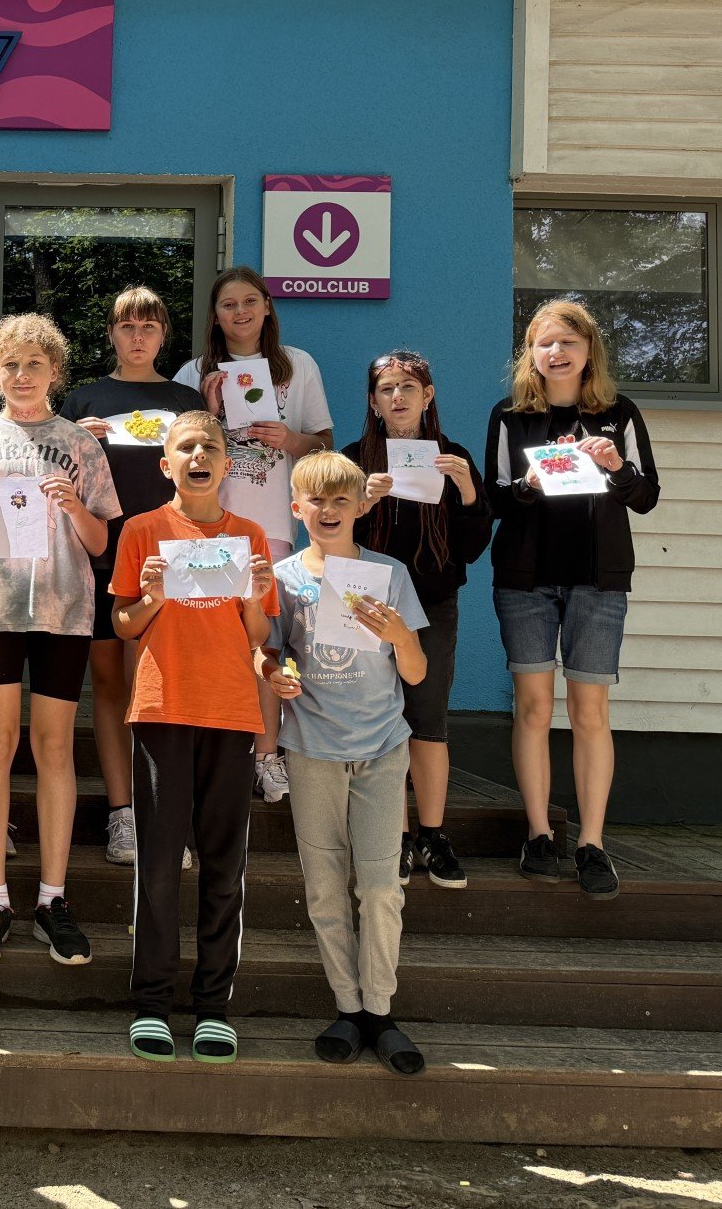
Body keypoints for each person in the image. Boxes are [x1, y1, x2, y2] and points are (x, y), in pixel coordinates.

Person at [0, 314, 118, 968]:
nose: (22, 375)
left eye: (34, 364)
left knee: (53, 747)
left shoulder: (81, 443)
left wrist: (74, 507)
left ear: (54, 372)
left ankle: (52, 898)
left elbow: (100, 543)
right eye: (10, 365)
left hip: (63, 610)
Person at [111, 410, 277, 1064]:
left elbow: (258, 636)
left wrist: (256, 596)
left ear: (227, 464)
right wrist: (152, 597)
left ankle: (213, 1006)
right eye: (186, 447)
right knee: (158, 864)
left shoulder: (249, 535)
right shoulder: (142, 530)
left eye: (210, 446)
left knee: (224, 866)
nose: (199, 455)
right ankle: (152, 1002)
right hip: (162, 710)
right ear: (167, 464)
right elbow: (124, 625)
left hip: (231, 714)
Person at [259, 451, 428, 1076]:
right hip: (312, 749)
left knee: (380, 886)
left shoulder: (388, 574)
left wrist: (399, 635)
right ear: (296, 509)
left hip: (381, 747)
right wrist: (275, 675)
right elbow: (271, 653)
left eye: (340, 500)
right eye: (316, 501)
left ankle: (380, 1010)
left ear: (361, 507)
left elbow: (416, 672)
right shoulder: (283, 578)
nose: (328, 511)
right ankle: (348, 1007)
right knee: (325, 886)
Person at [487, 299, 659, 900]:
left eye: (569, 342)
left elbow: (646, 497)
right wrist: (526, 487)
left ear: (589, 352)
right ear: (530, 354)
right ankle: (539, 835)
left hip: (598, 580)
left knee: (590, 714)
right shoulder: (510, 416)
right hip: (525, 581)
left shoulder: (619, 413)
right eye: (545, 343)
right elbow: (492, 499)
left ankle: (591, 843)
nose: (557, 353)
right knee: (533, 709)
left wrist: (617, 467)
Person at [173, 266, 333, 805]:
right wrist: (207, 410)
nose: (240, 312)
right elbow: (178, 452)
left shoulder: (299, 365)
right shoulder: (193, 372)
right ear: (215, 316)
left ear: (267, 306)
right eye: (228, 304)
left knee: (265, 643)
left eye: (249, 302)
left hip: (271, 529)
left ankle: (267, 755)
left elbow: (325, 442)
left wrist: (290, 439)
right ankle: (207, 749)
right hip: (205, 526)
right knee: (205, 638)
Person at [61, 286, 205, 866]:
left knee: (163, 685)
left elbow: (205, 472)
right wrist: (78, 439)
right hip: (100, 559)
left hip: (171, 562)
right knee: (110, 684)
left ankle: (164, 814)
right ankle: (123, 813)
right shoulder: (84, 398)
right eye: (127, 326)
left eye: (149, 326)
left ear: (164, 335)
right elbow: (56, 475)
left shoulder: (186, 399)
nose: (138, 336)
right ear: (112, 334)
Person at [345, 350, 492, 889]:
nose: (398, 397)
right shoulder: (354, 458)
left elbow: (471, 549)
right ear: (373, 402)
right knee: (380, 720)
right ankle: (397, 836)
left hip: (431, 604)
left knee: (428, 720)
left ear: (428, 396)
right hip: (366, 604)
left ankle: (433, 833)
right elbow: (328, 533)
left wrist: (468, 490)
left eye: (408, 387)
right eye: (386, 389)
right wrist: (360, 504)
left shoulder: (452, 456)